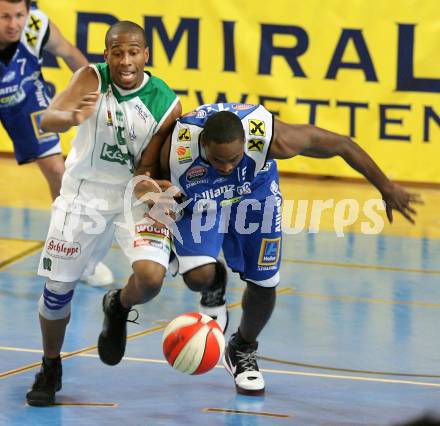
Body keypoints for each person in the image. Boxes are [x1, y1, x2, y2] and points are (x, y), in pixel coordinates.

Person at [159, 102, 422, 396]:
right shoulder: (176, 148)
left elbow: (342, 145)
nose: (227, 167)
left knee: (265, 283)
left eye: (233, 159)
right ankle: (214, 283)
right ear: (202, 143)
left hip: (255, 196)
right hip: (203, 202)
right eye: (218, 160)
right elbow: (144, 177)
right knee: (198, 276)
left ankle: (242, 348)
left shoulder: (274, 138)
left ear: (246, 142)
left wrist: (386, 188)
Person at [25, 20, 182, 406]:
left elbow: (162, 166)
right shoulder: (90, 78)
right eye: (117, 52)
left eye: (133, 52)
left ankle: (118, 305)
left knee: (150, 279)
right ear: (107, 54)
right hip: (84, 195)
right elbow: (48, 119)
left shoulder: (167, 102)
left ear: (147, 55)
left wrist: (157, 188)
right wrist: (73, 117)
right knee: (58, 291)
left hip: (134, 195)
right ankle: (50, 365)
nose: (125, 60)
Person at [0, 0, 113, 286]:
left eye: (18, 15)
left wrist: (101, 91)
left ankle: (74, 255)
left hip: (25, 98)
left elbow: (71, 54)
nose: (13, 24)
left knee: (57, 172)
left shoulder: (38, 27)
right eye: (4, 17)